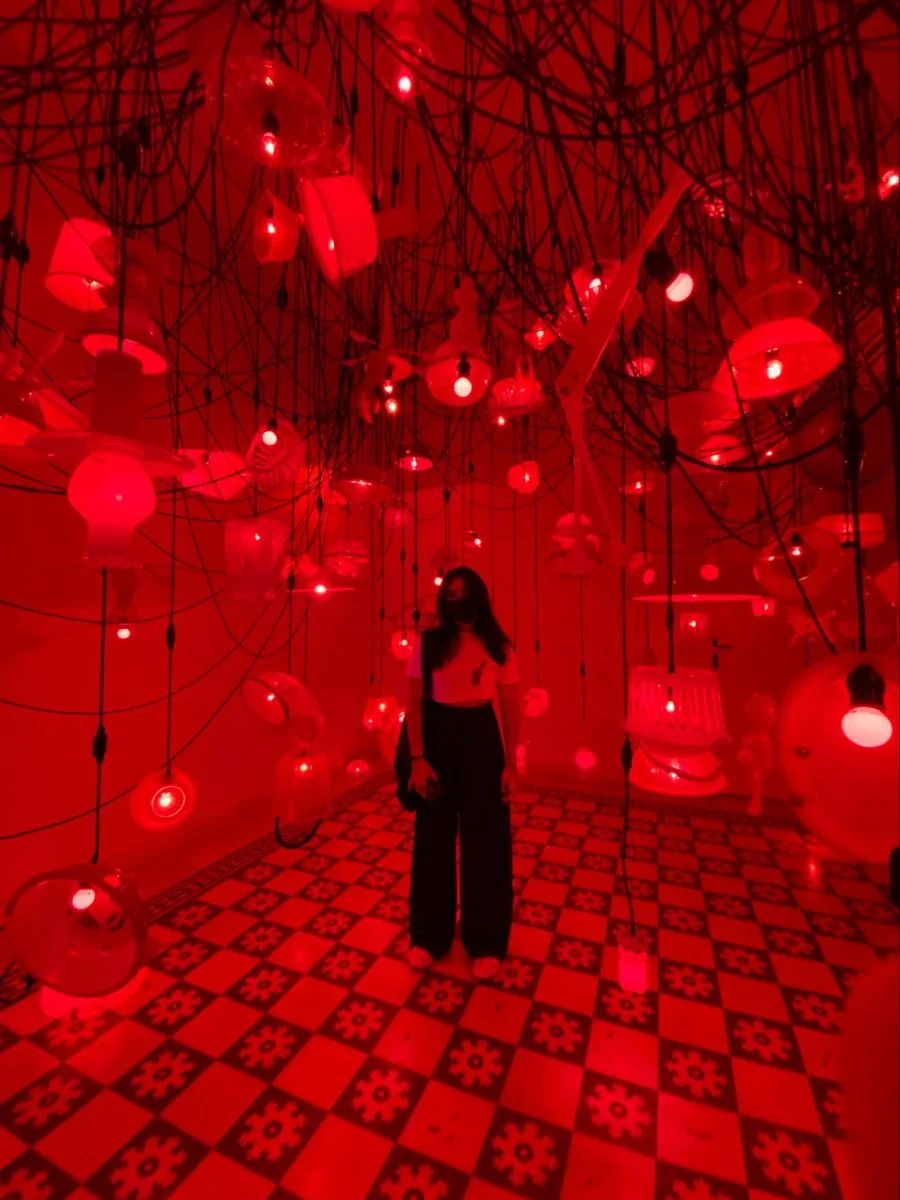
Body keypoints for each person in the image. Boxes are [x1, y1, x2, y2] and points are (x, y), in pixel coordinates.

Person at [404, 566, 520, 980]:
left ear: (480, 595)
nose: (456, 601)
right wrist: (418, 759)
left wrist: (511, 764)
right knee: (432, 838)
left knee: (486, 840)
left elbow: (510, 705)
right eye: (449, 594)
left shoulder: (498, 645)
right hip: (438, 737)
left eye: (464, 593)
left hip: (482, 739)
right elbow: (414, 703)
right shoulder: (429, 643)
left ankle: (486, 939)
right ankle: (428, 936)